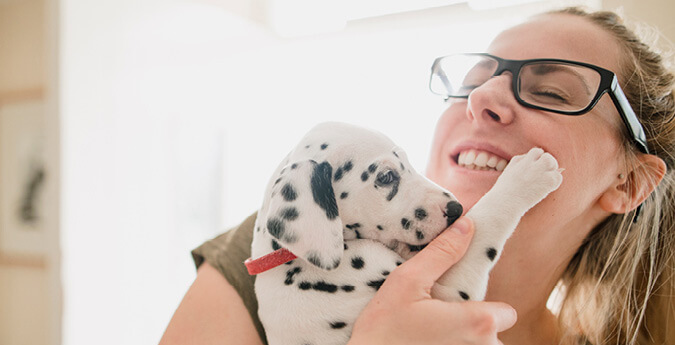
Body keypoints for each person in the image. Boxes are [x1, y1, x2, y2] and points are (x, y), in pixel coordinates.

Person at [159, 6, 675, 345]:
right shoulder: (281, 253)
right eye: (472, 82)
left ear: (627, 183)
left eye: (552, 92)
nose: (482, 98)